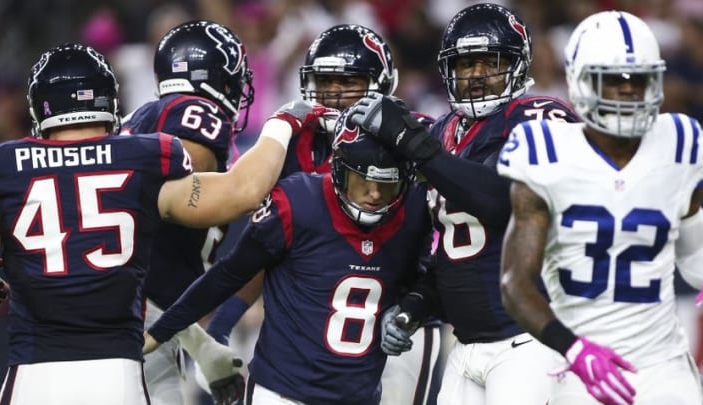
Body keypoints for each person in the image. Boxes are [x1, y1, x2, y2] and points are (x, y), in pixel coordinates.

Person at [0, 42, 329, 405]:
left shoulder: (2, 167)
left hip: (36, 376)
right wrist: (282, 123)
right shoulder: (144, 159)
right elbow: (243, 190)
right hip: (117, 374)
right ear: (107, 100)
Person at [350, 3, 579, 404]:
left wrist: (413, 145)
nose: (475, 76)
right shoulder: (443, 133)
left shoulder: (537, 116)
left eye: (488, 63)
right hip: (467, 346)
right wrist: (415, 305)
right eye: (465, 65)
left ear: (518, 65)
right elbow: (458, 253)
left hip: (529, 341)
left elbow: (502, 201)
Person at [205, 23, 442, 405]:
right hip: (314, 326)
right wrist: (222, 322)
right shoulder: (296, 144)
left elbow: (445, 240)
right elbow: (264, 248)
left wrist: (415, 304)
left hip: (396, 317)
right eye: (324, 80)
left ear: (382, 83)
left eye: (347, 81)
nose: (333, 93)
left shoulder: (415, 137)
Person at [143, 108, 434, 405]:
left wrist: (409, 309)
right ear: (338, 169)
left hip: (359, 395)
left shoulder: (412, 210)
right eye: (362, 182)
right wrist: (164, 329)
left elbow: (430, 280)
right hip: (282, 394)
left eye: (386, 185)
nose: (374, 195)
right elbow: (230, 272)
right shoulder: (298, 202)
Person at [497, 10, 703, 405]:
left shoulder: (680, 142)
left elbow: (695, 254)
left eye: (637, 79)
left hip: (663, 364)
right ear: (579, 79)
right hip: (581, 365)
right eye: (613, 79)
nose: (627, 90)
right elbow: (515, 284)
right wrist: (573, 349)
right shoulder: (545, 152)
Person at [119, 20, 255, 405]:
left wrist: (198, 338)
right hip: (137, 320)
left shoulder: (141, 118)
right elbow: (162, 195)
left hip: (146, 320)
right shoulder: (195, 112)